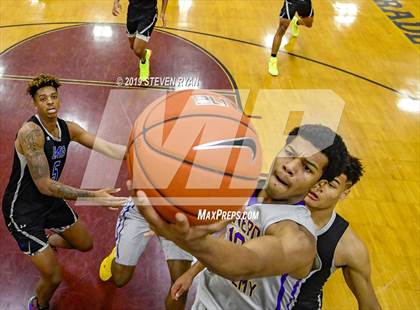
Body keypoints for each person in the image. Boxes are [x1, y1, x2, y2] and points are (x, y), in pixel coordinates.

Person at [135, 124, 349, 309]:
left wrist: (188, 238)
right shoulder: (251, 186)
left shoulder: (298, 238)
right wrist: (192, 272)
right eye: (290, 152)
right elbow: (231, 237)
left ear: (319, 185)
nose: (290, 166)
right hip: (207, 299)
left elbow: (245, 263)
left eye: (307, 168)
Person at [170, 155, 382, 309]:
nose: (319, 187)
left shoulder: (347, 246)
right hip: (234, 296)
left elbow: (370, 305)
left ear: (345, 192)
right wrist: (192, 272)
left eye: (331, 185)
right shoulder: (275, 202)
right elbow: (235, 234)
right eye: (319, 180)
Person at [1, 74, 127, 310]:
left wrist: (137, 149)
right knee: (53, 276)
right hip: (23, 212)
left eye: (54, 97)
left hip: (51, 202)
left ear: (59, 99)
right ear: (35, 104)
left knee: (85, 243)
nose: (50, 102)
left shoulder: (67, 128)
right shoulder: (30, 133)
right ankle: (39, 305)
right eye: (43, 98)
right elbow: (45, 184)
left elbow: (108, 147)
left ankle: (46, 242)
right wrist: (95, 196)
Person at [99, 197, 193, 310]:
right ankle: (116, 255)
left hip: (178, 219)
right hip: (141, 211)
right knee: (120, 279)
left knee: (180, 288)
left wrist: (192, 273)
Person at [112, 0, 169, 81]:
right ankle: (145, 53)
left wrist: (163, 12)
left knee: (137, 49)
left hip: (149, 13)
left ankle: (144, 61)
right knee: (132, 46)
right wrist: (116, 3)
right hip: (133, 12)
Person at [268, 0, 314, 76]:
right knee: (282, 28)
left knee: (309, 23)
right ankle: (273, 60)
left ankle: (296, 22)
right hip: (291, 2)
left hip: (304, 2)